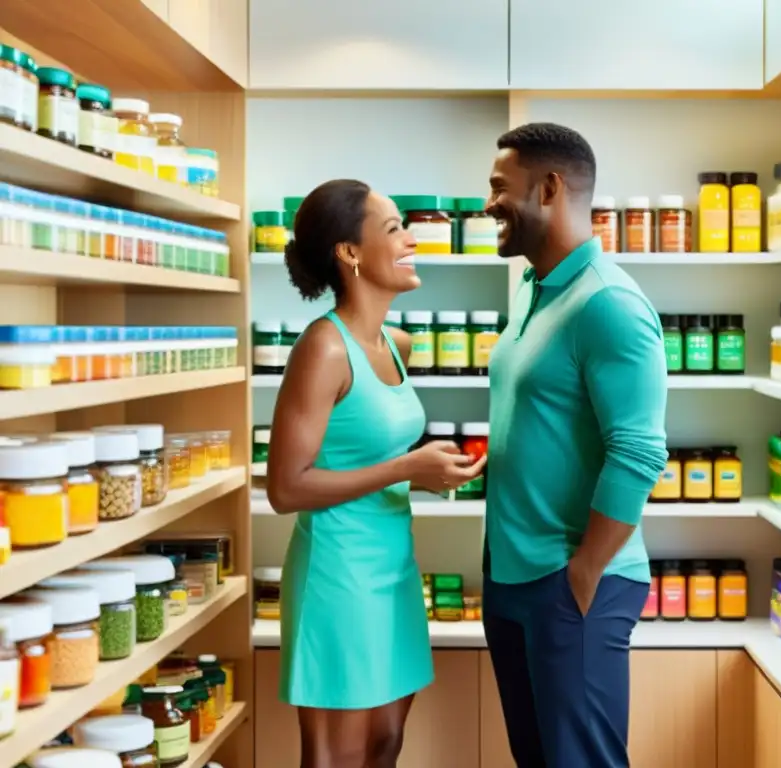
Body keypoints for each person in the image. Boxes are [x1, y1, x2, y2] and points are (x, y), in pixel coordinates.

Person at [266, 179, 486, 768]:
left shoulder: (398, 344)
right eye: (394, 229)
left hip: (392, 568)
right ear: (350, 252)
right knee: (340, 756)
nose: (412, 239)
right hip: (338, 573)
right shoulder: (324, 349)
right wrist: (407, 466)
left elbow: (366, 459)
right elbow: (286, 487)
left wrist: (427, 471)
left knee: (385, 744)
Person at [482, 123, 668, 767]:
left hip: (571, 582)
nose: (487, 205)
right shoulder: (532, 290)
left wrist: (583, 573)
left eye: (500, 188)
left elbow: (639, 452)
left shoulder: (609, 303)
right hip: (512, 576)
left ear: (551, 188)